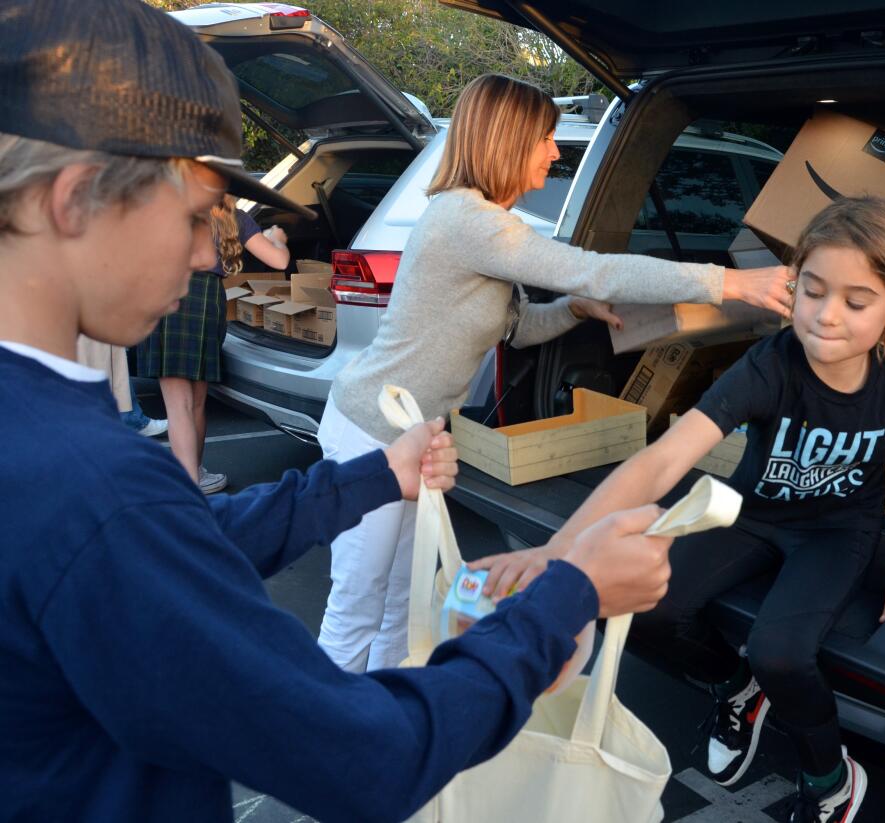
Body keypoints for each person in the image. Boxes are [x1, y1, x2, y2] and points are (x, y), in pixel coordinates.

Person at [0, 3, 675, 821]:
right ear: (74, 201)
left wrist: (363, 481)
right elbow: (366, 756)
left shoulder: (52, 451)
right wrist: (567, 593)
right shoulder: (97, 487)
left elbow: (182, 542)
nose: (209, 253)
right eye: (191, 217)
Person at [475, 197, 885, 822]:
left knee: (780, 652)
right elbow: (663, 460)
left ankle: (832, 780)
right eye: (811, 291)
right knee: (644, 604)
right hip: (752, 512)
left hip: (837, 531)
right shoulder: (769, 364)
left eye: (855, 302)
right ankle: (735, 690)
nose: (826, 316)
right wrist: (558, 551)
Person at [318, 72, 796, 673]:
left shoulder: (482, 222)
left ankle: (380, 729)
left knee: (400, 605)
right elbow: (592, 268)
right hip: (370, 434)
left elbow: (516, 328)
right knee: (357, 608)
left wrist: (572, 310)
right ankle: (315, 750)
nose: (554, 150)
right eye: (546, 137)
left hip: (418, 439)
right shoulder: (468, 220)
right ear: (508, 140)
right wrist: (731, 282)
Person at [136, 192, 290, 494]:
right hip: (207, 300)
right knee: (195, 403)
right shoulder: (234, 217)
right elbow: (279, 260)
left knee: (177, 404)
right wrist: (278, 238)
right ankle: (195, 473)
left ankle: (188, 480)